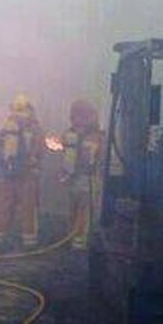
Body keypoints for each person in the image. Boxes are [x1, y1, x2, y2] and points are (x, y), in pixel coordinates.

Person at [0, 94, 46, 247]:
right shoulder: (27, 129)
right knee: (24, 209)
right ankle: (27, 242)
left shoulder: (12, 129)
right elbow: (39, 151)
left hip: (14, 175)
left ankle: (0, 240)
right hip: (21, 176)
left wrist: (1, 163)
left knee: (8, 208)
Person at [60, 99, 104, 248]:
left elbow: (98, 156)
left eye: (82, 115)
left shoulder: (96, 136)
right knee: (74, 209)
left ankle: (79, 241)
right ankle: (72, 237)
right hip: (74, 178)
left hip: (88, 179)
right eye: (76, 115)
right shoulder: (70, 134)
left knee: (84, 211)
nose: (78, 119)